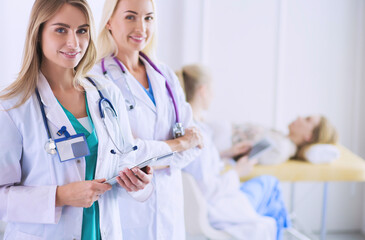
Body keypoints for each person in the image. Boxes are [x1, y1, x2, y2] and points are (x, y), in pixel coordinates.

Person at [0, 0, 153, 239]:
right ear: (38, 33)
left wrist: (137, 181)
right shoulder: (12, 107)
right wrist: (60, 196)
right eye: (61, 29)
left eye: (82, 30)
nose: (74, 42)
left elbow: (125, 160)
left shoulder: (107, 93)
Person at [90, 0, 203, 239]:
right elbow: (120, 155)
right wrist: (178, 145)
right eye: (130, 17)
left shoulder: (165, 75)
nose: (141, 27)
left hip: (169, 210)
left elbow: (196, 143)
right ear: (109, 21)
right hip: (126, 208)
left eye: (148, 18)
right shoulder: (96, 80)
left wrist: (146, 158)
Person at [179, 64, 290, 240]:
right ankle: (280, 234)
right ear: (203, 90)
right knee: (272, 186)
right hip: (217, 211)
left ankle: (279, 233)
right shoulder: (197, 136)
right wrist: (237, 171)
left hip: (214, 205)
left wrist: (225, 153)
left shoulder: (186, 129)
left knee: (271, 195)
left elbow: (198, 165)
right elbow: (208, 189)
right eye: (212, 90)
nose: (214, 95)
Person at [230, 115, 338, 165]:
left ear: (309, 137)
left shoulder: (281, 148)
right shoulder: (281, 139)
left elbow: (245, 156)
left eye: (307, 119)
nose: (299, 117)